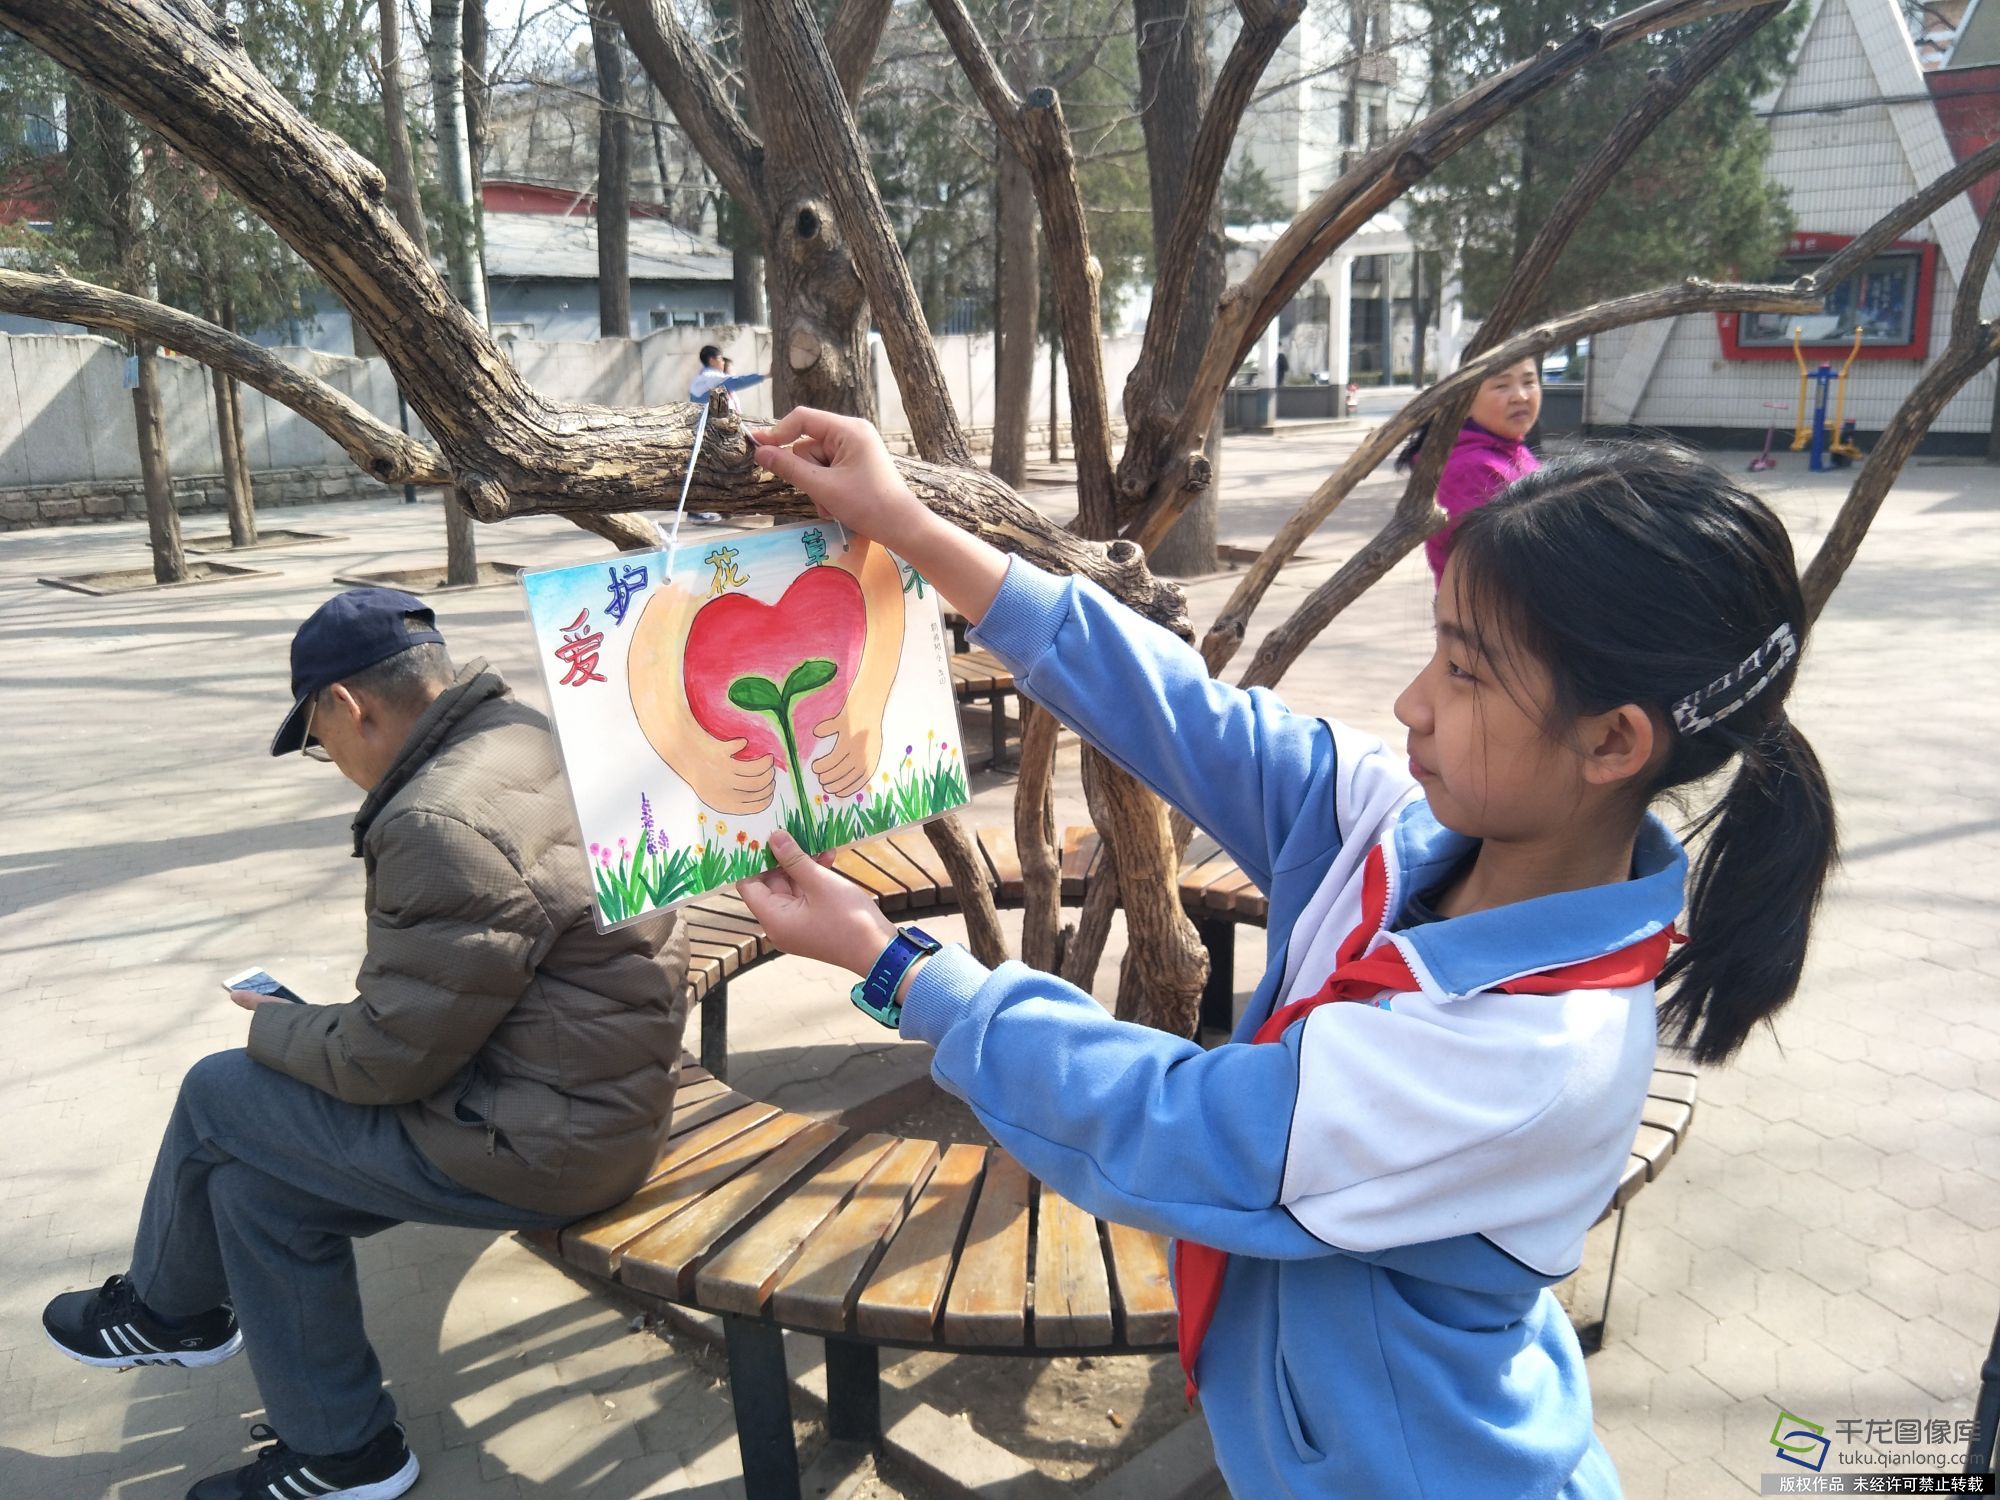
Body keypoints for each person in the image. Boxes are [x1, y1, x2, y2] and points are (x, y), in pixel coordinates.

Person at [735, 411, 1837, 1499]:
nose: (1410, 702)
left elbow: (1178, 1123)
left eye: (1464, 672)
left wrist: (893, 966)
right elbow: (1186, 717)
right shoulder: (1404, 828)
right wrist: (910, 525)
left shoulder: (1535, 1055)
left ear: (1612, 741)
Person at [41, 588, 689, 1500]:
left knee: (219, 1091)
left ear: (351, 706)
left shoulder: (439, 818)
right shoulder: (525, 737)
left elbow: (384, 1062)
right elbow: (435, 1009)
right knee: (253, 1193)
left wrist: (280, 1022)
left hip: (552, 1143)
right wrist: (327, 1028)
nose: (332, 761)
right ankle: (345, 1456)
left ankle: (168, 1313)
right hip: (595, 1090)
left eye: (316, 739)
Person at [1398, 354, 1542, 584]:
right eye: (1501, 386)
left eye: (1529, 382)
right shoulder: (1469, 469)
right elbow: (1497, 565)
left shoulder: (1511, 449)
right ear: (1465, 402)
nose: (1520, 396)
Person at [689, 343, 767, 409]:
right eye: (720, 359)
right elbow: (738, 382)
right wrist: (765, 376)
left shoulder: (703, 376)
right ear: (712, 361)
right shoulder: (712, 376)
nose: (723, 362)